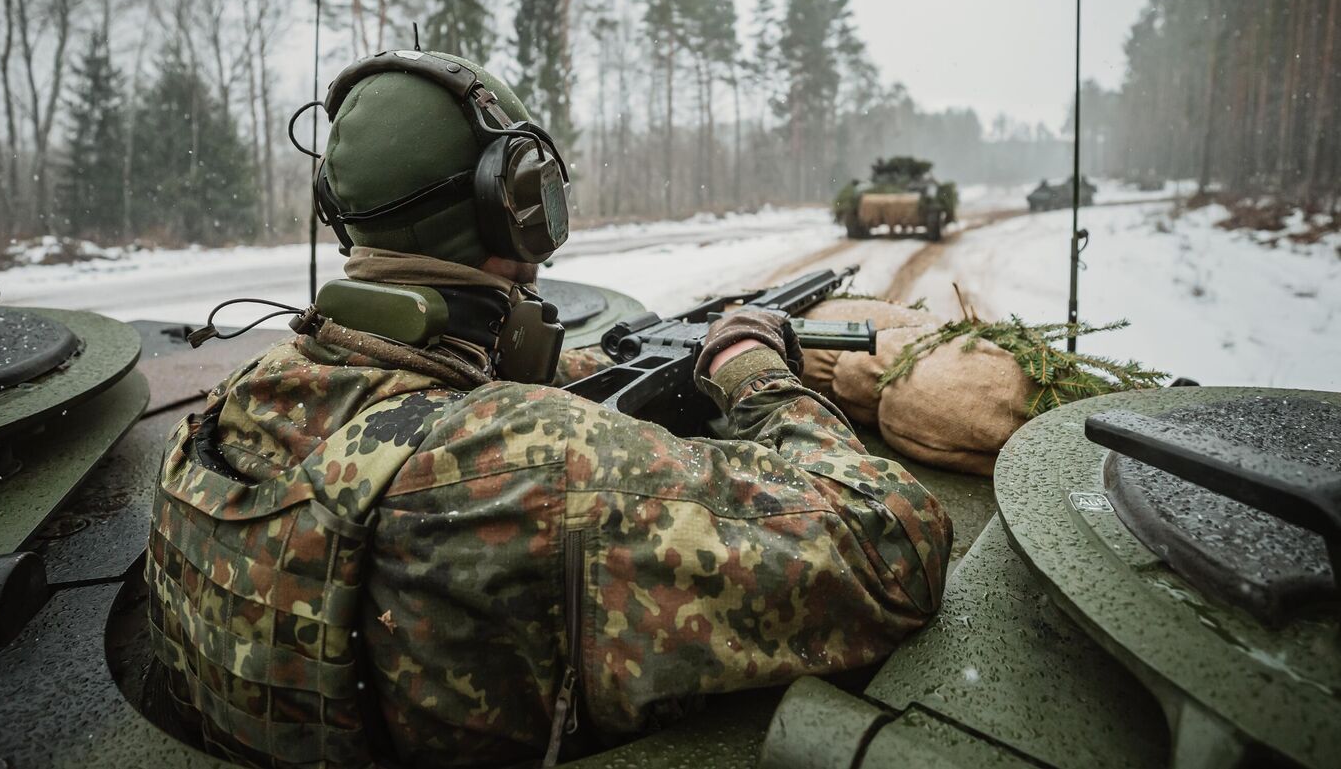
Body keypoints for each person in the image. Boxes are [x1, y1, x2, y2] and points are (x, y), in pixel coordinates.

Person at [146, 49, 953, 769]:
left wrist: (632, 359)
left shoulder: (234, 403)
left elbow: (417, 399)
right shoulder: (541, 464)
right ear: (514, 202)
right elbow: (895, 544)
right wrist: (751, 372)